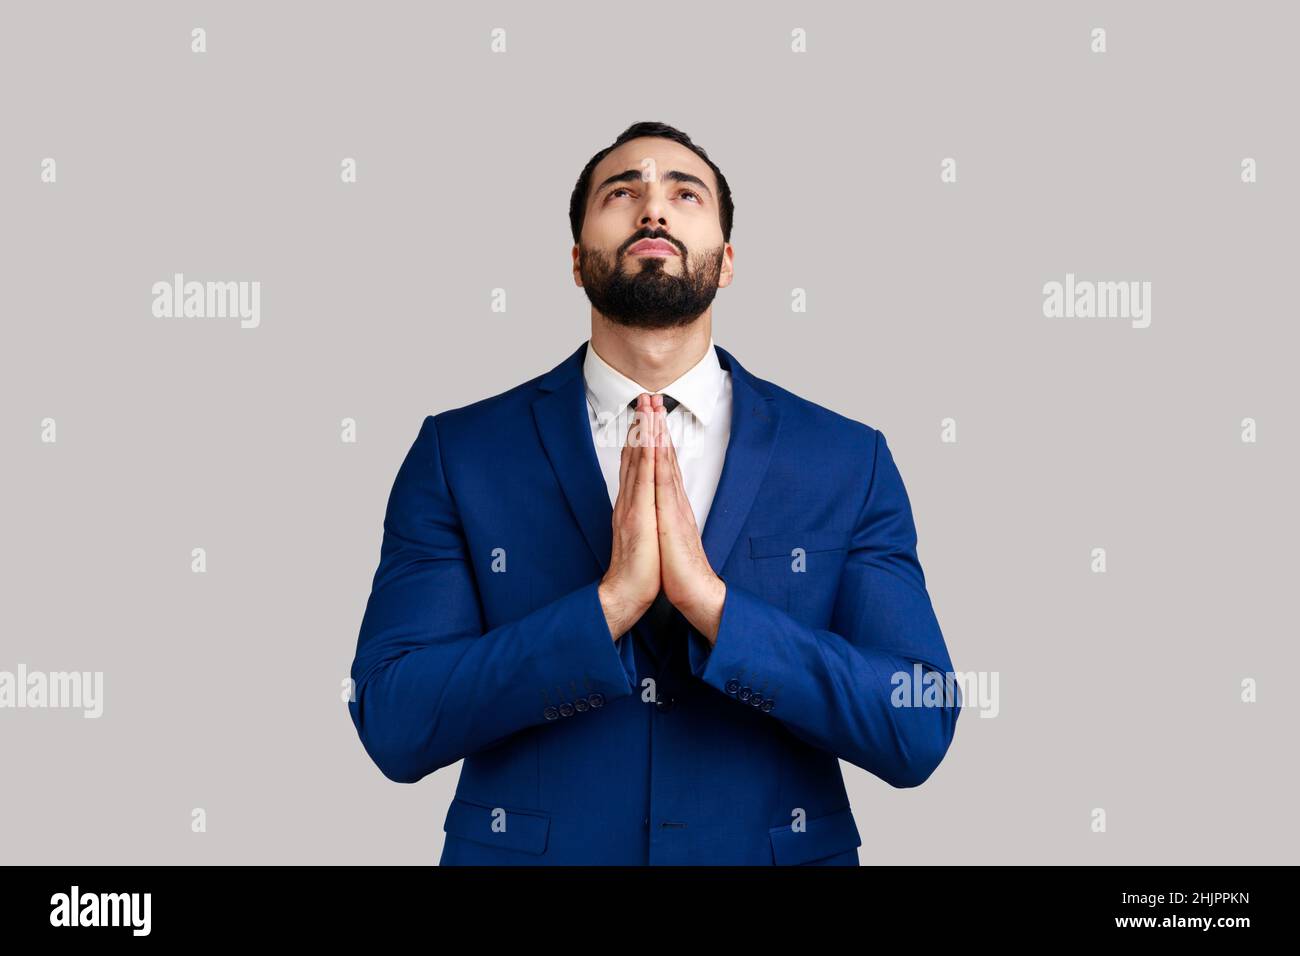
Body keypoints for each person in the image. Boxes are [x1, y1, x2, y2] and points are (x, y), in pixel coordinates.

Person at [346, 121, 960, 865]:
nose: (653, 209)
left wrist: (717, 610)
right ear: (577, 261)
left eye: (684, 192)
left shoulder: (846, 459)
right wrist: (604, 609)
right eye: (622, 192)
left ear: (727, 260)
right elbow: (393, 717)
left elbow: (915, 724)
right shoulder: (459, 453)